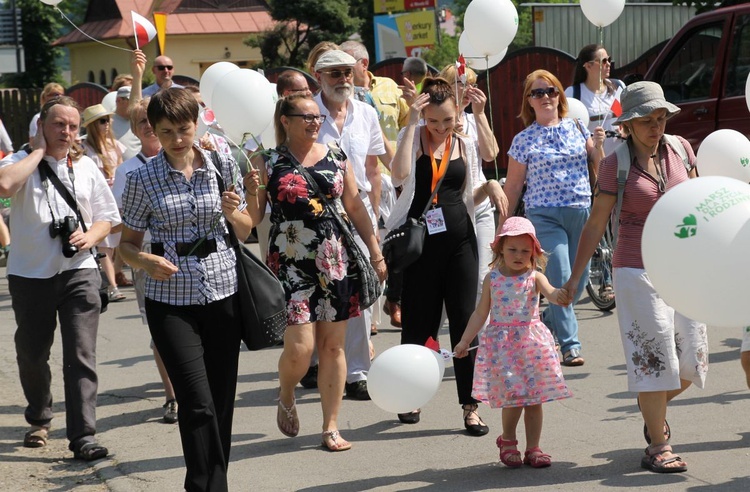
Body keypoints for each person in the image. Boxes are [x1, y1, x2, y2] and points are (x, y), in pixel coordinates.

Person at [562, 81, 708, 474]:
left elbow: (699, 204)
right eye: (647, 120)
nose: (656, 127)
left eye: (660, 119)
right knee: (654, 356)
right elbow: (595, 224)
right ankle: (658, 445)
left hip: (683, 268)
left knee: (692, 361)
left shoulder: (680, 149)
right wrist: (575, 279)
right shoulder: (616, 163)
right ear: (627, 124)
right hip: (635, 269)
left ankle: (651, 408)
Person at [119, 88, 253, 490]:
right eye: (167, 131)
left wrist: (235, 214)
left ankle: (216, 480)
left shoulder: (222, 163)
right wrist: (144, 261)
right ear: (153, 132)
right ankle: (205, 486)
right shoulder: (142, 178)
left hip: (223, 291)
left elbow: (245, 231)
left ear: (197, 124)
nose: (178, 139)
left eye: (184, 129)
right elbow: (126, 244)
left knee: (221, 402)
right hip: (171, 300)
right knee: (196, 402)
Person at [244, 93, 387, 451]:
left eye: (316, 118)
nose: (313, 122)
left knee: (334, 347)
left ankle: (330, 426)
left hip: (335, 260)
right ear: (285, 120)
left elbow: (354, 205)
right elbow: (253, 218)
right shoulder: (268, 161)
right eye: (305, 117)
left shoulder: (337, 157)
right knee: (301, 349)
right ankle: (288, 391)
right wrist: (242, 200)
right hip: (290, 262)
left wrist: (375, 250)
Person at [0, 96, 119, 461]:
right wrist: (37, 153)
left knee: (81, 355)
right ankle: (39, 415)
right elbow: (4, 186)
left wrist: (92, 237)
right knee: (32, 354)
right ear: (41, 126)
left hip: (78, 272)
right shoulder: (19, 162)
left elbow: (107, 216)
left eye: (72, 126)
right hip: (29, 274)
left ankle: (83, 436)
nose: (67, 132)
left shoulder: (86, 168)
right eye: (58, 125)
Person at [386, 77, 503, 433]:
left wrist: (492, 185)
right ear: (424, 116)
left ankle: (471, 405)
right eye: (433, 121)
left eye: (447, 121)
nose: (439, 128)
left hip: (461, 244)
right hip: (420, 248)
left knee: (467, 323)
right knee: (419, 324)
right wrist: (410, 127)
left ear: (457, 115)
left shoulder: (463, 142)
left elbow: (488, 163)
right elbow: (399, 176)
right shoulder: (416, 137)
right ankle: (411, 395)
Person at [500, 69, 605, 367]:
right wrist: (504, 225)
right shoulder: (523, 140)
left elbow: (600, 164)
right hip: (543, 215)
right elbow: (514, 186)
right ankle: (570, 345)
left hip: (581, 211)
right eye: (538, 93)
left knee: (578, 280)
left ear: (560, 96)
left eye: (551, 91)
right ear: (529, 102)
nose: (545, 97)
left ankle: (547, 317)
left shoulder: (577, 128)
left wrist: (598, 147)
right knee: (559, 275)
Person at [455, 217, 572, 468]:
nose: (519, 255)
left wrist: (561, 296)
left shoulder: (535, 277)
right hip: (504, 349)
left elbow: (552, 293)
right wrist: (465, 340)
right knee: (513, 399)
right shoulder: (493, 279)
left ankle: (534, 447)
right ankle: (508, 439)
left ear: (533, 253)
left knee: (534, 400)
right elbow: (480, 313)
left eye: (525, 251)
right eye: (512, 249)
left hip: (531, 347)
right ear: (499, 249)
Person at [312, 49, 388, 400]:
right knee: (322, 293)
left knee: (359, 293)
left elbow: (373, 166)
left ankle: (357, 371)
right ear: (319, 77)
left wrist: (375, 213)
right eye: (334, 73)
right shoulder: (306, 114)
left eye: (347, 71)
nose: (343, 78)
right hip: (318, 217)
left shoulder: (367, 113)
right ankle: (320, 360)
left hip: (359, 213)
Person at [111, 97, 177, 424]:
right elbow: (122, 220)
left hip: (189, 256)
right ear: (135, 130)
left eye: (155, 119)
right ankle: (172, 395)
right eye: (142, 122)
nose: (149, 127)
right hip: (148, 258)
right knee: (160, 330)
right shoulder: (128, 170)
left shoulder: (187, 160)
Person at [81, 103, 127, 302]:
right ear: (91, 125)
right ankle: (112, 287)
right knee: (106, 246)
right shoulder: (84, 147)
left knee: (123, 242)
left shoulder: (115, 145)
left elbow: (122, 170)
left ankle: (116, 274)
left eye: (108, 119)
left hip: (117, 197)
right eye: (102, 121)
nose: (107, 124)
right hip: (98, 200)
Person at [565, 44, 626, 157]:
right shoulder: (573, 93)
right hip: (593, 161)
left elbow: (628, 116)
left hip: (621, 156)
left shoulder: (619, 86)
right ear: (588, 66)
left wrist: (627, 130)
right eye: (603, 61)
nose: (608, 64)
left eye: (609, 59)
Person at [111, 86, 141, 161]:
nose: (134, 105)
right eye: (130, 101)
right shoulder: (107, 122)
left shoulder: (140, 120)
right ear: (119, 100)